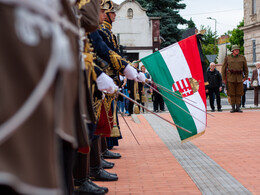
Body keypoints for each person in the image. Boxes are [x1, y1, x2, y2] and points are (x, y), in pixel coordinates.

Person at [221, 45, 248, 113]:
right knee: (231, 93)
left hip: (239, 78)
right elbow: (223, 69)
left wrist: (245, 77)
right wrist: (224, 78)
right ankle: (233, 108)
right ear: (232, 51)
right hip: (230, 78)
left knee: (239, 93)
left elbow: (245, 68)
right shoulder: (227, 58)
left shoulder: (242, 57)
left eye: (238, 49)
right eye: (236, 50)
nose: (237, 51)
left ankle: (238, 107)